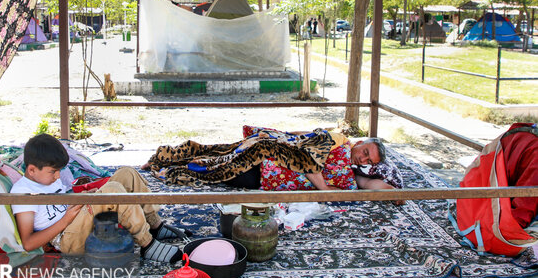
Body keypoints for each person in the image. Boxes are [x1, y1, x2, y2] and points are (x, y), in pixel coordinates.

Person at [10, 134, 187, 264]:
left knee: (127, 173)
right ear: (32, 170)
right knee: (113, 190)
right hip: (66, 238)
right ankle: (147, 244)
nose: (57, 176)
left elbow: (60, 201)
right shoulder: (23, 192)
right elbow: (28, 243)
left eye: (58, 171)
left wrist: (83, 196)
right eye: (53, 172)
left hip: (76, 218)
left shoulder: (44, 177)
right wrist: (66, 220)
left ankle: (154, 225)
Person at [142, 127, 399, 193]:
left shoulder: (348, 168)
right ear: (361, 142)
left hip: (265, 159)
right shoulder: (339, 140)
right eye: (365, 150)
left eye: (368, 159)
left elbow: (303, 136)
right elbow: (308, 159)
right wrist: (323, 189)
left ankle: (163, 158)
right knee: (212, 167)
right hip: (263, 161)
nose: (362, 156)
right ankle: (163, 162)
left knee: (215, 156)